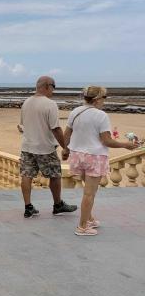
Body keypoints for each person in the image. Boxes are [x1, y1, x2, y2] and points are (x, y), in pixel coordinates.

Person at [63, 86, 137, 236]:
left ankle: (89, 219)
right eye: (104, 97)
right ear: (97, 99)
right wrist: (126, 145)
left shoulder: (75, 112)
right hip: (94, 157)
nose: (105, 100)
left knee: (87, 191)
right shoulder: (101, 115)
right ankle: (82, 227)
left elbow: (67, 134)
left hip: (77, 155)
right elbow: (107, 141)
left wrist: (65, 149)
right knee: (89, 194)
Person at [19, 76, 77, 218]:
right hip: (45, 147)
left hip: (27, 146)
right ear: (46, 86)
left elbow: (21, 125)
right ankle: (58, 205)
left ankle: (28, 207)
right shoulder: (50, 104)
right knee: (55, 175)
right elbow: (56, 129)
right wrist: (65, 147)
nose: (54, 90)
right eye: (53, 86)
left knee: (26, 175)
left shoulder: (26, 102)